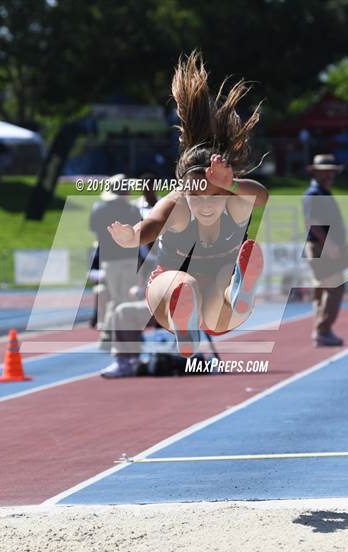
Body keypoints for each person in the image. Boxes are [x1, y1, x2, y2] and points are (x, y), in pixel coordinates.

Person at [107, 51, 268, 358]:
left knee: (221, 282)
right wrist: (133, 236)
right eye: (197, 196)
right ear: (185, 189)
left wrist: (231, 184)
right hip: (170, 291)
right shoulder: (177, 204)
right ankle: (186, 321)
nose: (206, 204)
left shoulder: (234, 199)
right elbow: (151, 224)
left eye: (215, 196)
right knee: (182, 282)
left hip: (220, 303)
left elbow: (262, 197)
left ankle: (237, 291)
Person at [303, 154, 348, 347]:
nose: (329, 175)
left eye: (331, 172)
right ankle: (323, 330)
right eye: (325, 172)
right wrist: (329, 244)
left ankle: (321, 329)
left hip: (323, 245)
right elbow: (312, 223)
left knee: (323, 288)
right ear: (315, 173)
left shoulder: (322, 192)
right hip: (321, 246)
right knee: (335, 287)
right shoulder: (314, 194)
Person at [89, 174, 142, 349]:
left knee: (116, 298)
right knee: (126, 300)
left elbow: (95, 231)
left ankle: (108, 335)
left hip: (109, 260)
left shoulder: (99, 210)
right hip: (128, 259)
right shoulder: (132, 210)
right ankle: (120, 336)